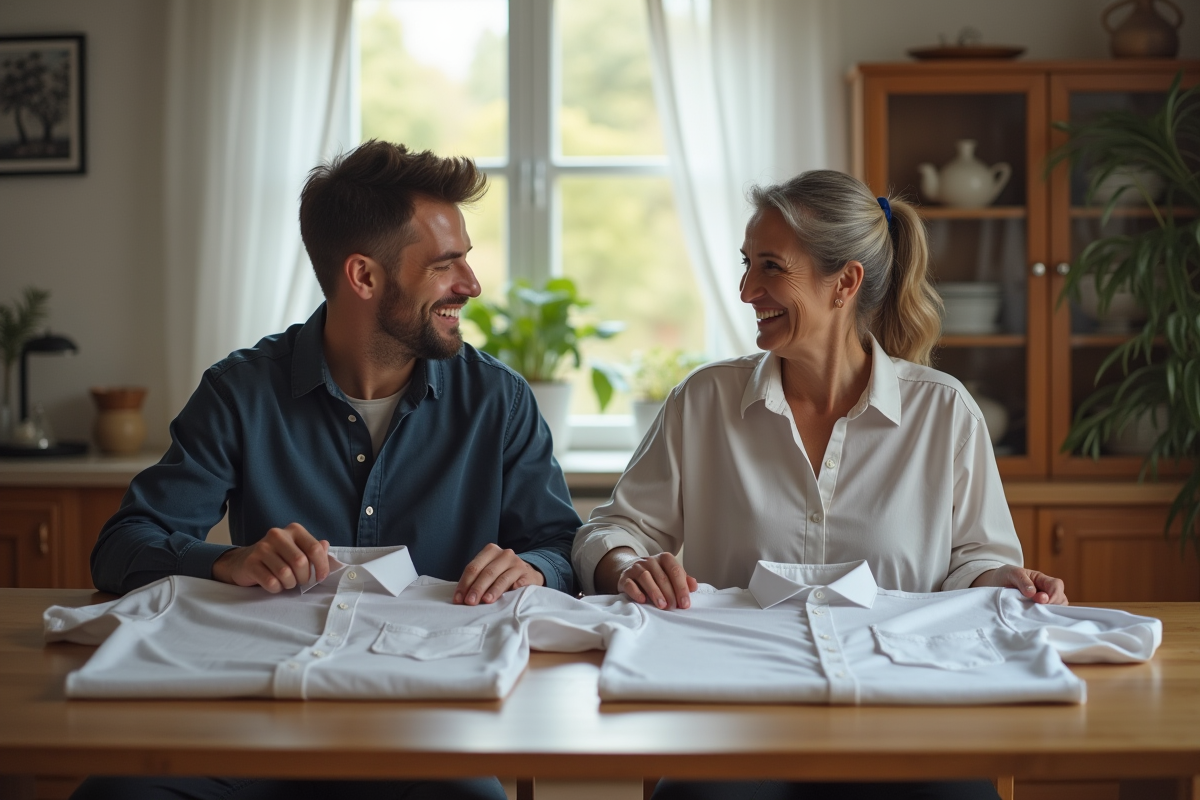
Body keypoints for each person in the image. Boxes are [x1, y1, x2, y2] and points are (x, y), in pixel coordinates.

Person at [78, 141, 580, 800]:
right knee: (118, 794)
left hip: (429, 725)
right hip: (263, 716)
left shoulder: (498, 400)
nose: (471, 284)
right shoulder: (240, 392)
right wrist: (221, 561)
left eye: (466, 258)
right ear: (365, 277)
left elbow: (563, 546)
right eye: (445, 264)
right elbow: (121, 547)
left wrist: (535, 567)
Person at [572, 170, 1067, 800]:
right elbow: (613, 529)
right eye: (746, 265)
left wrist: (1006, 579)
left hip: (904, 713)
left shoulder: (943, 412)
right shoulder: (704, 401)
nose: (747, 289)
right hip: (735, 711)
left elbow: (977, 558)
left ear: (846, 282)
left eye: (771, 268)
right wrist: (623, 564)